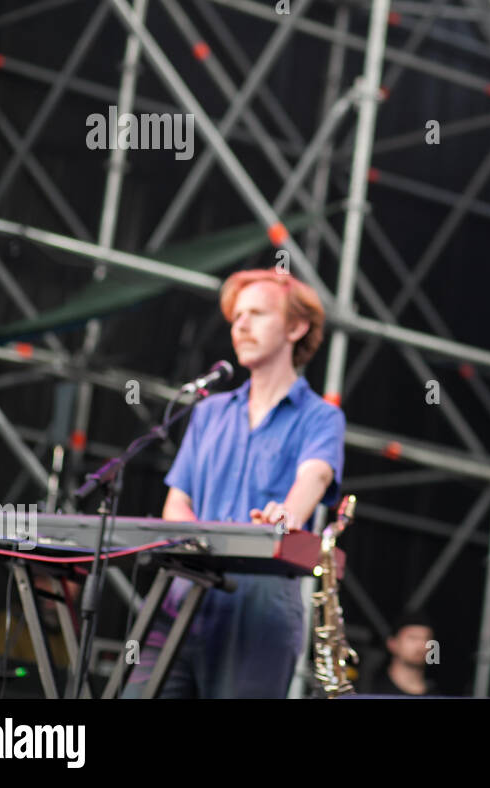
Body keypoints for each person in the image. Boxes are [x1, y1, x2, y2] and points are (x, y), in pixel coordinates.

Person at [123, 267, 346, 698]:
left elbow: (314, 476)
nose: (239, 324)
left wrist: (288, 514)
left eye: (256, 313)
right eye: (236, 315)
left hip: (258, 610)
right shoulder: (209, 411)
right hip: (182, 598)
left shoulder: (321, 416)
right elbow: (177, 504)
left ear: (296, 327)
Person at [367, 613, 437, 696]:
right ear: (392, 643)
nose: (422, 645)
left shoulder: (437, 694)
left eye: (427, 638)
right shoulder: (369, 689)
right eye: (413, 638)